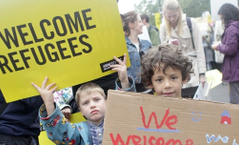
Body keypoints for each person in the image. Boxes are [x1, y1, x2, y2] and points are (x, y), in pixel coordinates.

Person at [31, 54, 135, 145]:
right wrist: (49, 103)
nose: (92, 105)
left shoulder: (119, 121)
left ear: (107, 102)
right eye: (86, 103)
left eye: (97, 100)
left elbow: (128, 107)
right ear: (81, 111)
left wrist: (124, 80)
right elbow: (59, 135)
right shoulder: (78, 131)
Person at [160, 0, 206, 98]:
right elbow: (161, 51)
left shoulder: (191, 23)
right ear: (165, 14)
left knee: (196, 102)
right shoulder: (163, 27)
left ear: (179, 11)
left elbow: (199, 49)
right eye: (169, 16)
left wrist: (202, 74)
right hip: (174, 71)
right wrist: (169, 44)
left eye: (174, 15)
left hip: (193, 70)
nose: (172, 19)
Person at [212, 3, 239, 104]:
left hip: (235, 70)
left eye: (222, 18)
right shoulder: (236, 26)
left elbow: (231, 49)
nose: (222, 21)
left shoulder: (232, 28)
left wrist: (218, 47)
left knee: (235, 101)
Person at [122, 11, 152, 92]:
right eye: (139, 21)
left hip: (149, 87)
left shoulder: (147, 44)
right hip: (132, 89)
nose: (142, 24)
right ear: (131, 24)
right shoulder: (122, 47)